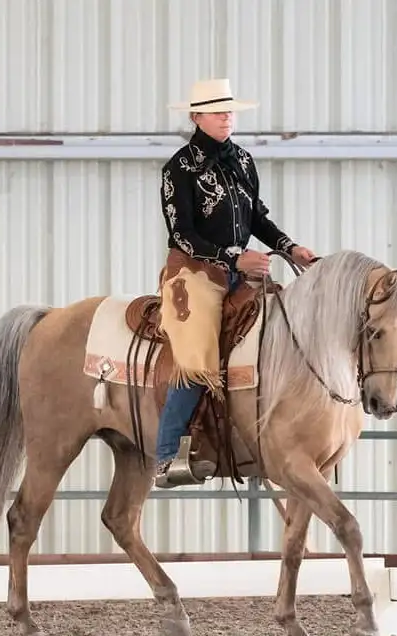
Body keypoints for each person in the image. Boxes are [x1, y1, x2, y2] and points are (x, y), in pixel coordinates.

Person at [154, 78, 316, 483]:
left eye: (230, 111)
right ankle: (166, 453)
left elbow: (257, 217)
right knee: (197, 354)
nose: (227, 117)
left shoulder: (242, 161)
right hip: (192, 273)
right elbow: (182, 235)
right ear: (196, 117)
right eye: (217, 111)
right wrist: (234, 257)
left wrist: (289, 246)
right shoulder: (178, 169)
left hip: (243, 271)